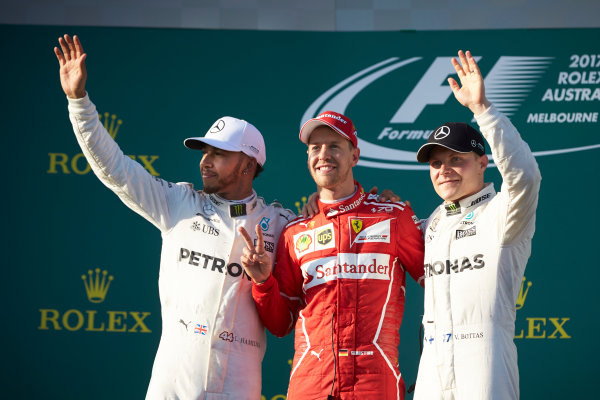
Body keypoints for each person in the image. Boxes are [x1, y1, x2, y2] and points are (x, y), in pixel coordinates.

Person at [54, 34, 296, 399]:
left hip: (238, 388)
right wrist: (78, 103)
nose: (205, 161)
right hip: (171, 385)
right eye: (204, 152)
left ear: (248, 164)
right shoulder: (177, 203)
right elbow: (114, 168)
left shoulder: (281, 225)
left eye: (218, 154)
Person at [240, 110, 425, 399]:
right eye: (315, 148)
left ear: (354, 156)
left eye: (334, 146)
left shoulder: (392, 216)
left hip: (376, 387)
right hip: (312, 386)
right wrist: (263, 282)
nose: (323, 155)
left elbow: (440, 280)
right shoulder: (295, 232)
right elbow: (281, 324)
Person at [413, 50, 542, 400]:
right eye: (436, 163)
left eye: (457, 159)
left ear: (483, 162)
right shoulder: (432, 225)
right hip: (432, 368)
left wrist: (483, 110)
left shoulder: (503, 213)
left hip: (484, 361)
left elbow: (526, 176)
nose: (444, 169)